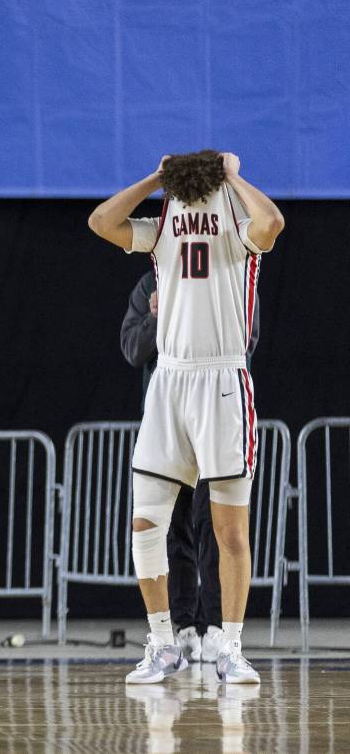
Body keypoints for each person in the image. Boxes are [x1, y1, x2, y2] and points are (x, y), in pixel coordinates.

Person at [89, 149, 284, 685]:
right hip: (169, 381)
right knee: (145, 523)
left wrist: (234, 178)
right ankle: (162, 643)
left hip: (222, 379)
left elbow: (272, 223)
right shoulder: (162, 227)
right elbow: (101, 221)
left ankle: (231, 646)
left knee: (229, 530)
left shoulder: (238, 228)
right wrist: (155, 177)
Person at [121, 270, 260, 664]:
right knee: (168, 528)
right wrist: (158, 317)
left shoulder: (231, 269)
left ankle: (219, 629)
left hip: (216, 412)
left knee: (218, 526)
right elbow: (133, 349)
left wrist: (193, 316)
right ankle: (177, 629)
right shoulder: (149, 285)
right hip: (168, 418)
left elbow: (247, 339)